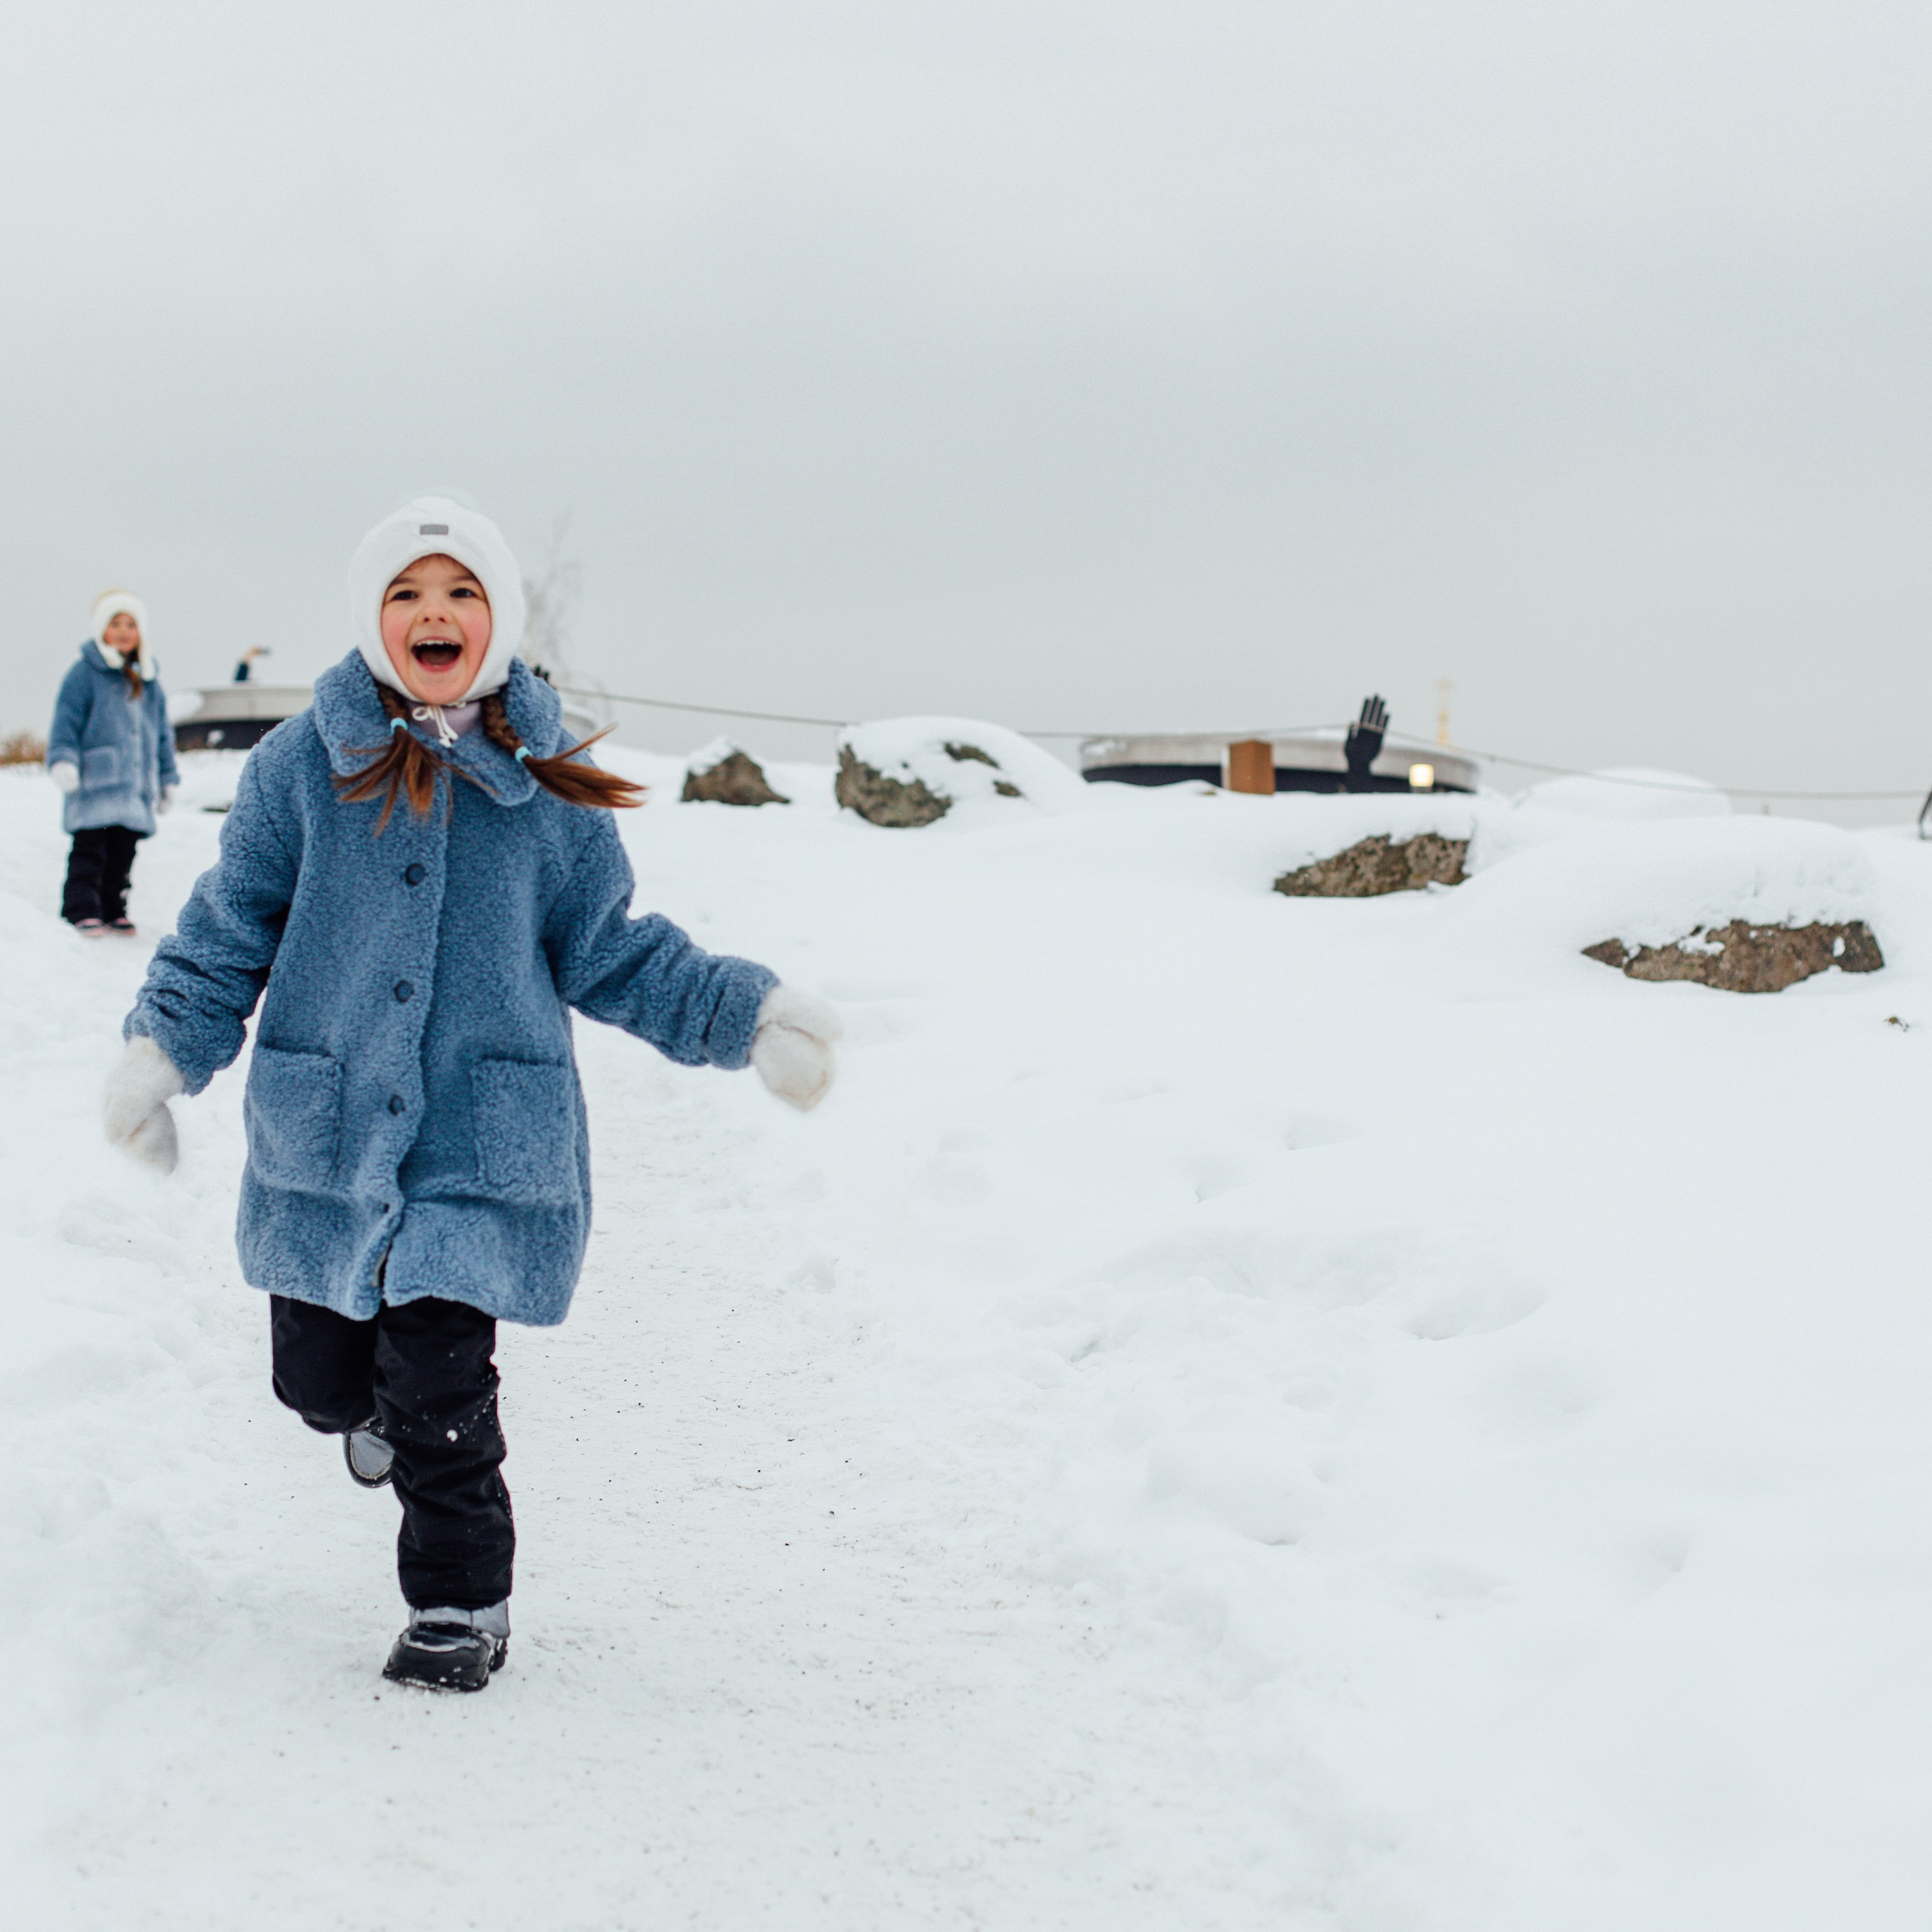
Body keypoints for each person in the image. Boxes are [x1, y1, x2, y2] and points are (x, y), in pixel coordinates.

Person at [99, 498, 842, 1693]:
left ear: (496, 622)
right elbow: (228, 931)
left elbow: (614, 950)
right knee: (317, 1382)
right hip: (329, 1141)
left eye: (460, 592)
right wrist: (163, 1055)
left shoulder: (545, 786)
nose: (433, 612)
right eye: (406, 593)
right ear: (372, 619)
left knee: (443, 1388)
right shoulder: (302, 768)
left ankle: (457, 1604)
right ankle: (363, 1413)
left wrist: (745, 1017)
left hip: (477, 1148)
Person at [46, 591, 180, 934]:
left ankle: (112, 907)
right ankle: (80, 909)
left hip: (135, 786)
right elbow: (66, 721)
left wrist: (168, 779)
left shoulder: (149, 680)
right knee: (90, 851)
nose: (123, 631)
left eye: (131, 625)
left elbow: (162, 735)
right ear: (101, 629)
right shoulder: (84, 673)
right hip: (95, 781)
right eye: (115, 623)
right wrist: (62, 759)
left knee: (123, 853)